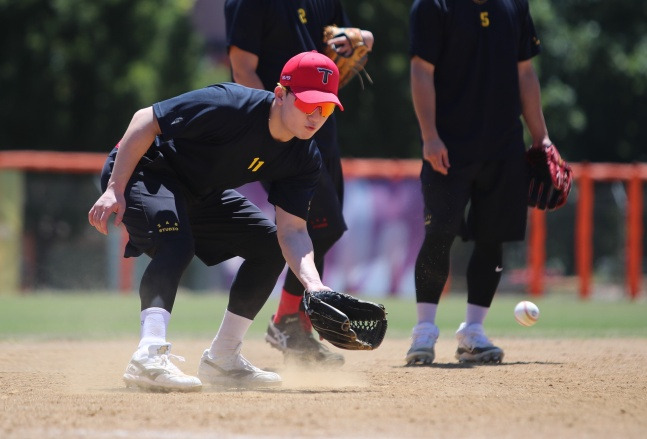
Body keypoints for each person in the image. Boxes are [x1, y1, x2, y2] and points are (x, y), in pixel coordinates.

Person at [88, 51, 345, 392]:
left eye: (325, 108)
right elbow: (144, 120)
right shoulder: (231, 104)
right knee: (176, 242)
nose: (316, 115)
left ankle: (222, 360)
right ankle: (147, 357)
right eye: (309, 103)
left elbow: (293, 231)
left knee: (269, 247)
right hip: (145, 170)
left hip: (199, 190)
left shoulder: (304, 157)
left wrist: (314, 285)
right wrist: (113, 188)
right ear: (281, 94)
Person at [224, 0, 374, 367]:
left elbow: (350, 44)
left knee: (326, 230)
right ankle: (289, 323)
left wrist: (365, 40)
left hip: (322, 127)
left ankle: (293, 324)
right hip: (282, 133)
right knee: (314, 228)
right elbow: (243, 69)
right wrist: (273, 132)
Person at [406, 0, 551, 365]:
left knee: (493, 238)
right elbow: (421, 71)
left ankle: (473, 332)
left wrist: (541, 138)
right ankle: (424, 331)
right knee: (439, 232)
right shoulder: (433, 6)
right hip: (449, 145)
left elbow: (525, 73)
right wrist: (430, 137)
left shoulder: (513, 6)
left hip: (503, 145)